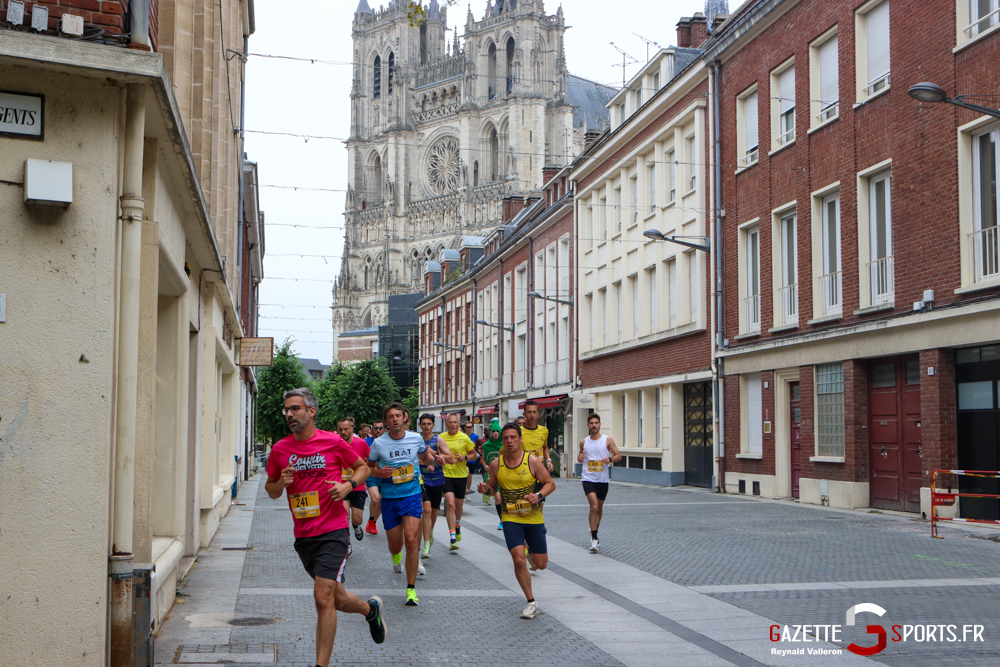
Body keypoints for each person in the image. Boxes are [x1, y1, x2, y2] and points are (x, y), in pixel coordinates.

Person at [265, 388, 386, 666]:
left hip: (333, 530)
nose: (289, 414)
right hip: (304, 536)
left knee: (322, 598)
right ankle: (371, 610)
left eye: (295, 408)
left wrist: (348, 485)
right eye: (287, 410)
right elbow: (271, 490)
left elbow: (363, 468)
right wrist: (281, 483)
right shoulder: (281, 449)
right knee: (338, 599)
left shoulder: (331, 441)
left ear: (311, 411)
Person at [368, 403, 445, 605]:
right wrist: (378, 473)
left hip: (411, 495)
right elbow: (368, 467)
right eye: (391, 416)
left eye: (398, 415)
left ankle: (411, 589)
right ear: (386, 421)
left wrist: (436, 460)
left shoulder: (415, 438)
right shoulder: (378, 444)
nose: (395, 419)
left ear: (404, 419)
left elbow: (423, 455)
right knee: (396, 545)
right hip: (390, 498)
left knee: (411, 541)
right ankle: (395, 557)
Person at [477, 422, 556, 620]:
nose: (509, 441)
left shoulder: (532, 461)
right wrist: (484, 490)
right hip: (510, 517)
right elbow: (493, 489)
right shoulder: (497, 464)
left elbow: (550, 483)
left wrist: (538, 495)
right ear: (502, 441)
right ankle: (531, 602)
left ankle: (530, 549)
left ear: (520, 439)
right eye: (506, 438)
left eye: (513, 437)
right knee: (518, 558)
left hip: (533, 517)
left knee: (541, 563)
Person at [577, 413, 621, 553]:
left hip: (602, 479)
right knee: (594, 506)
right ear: (588, 425)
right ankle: (594, 539)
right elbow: (580, 458)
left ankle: (594, 528)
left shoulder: (607, 440)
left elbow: (618, 455)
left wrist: (610, 459)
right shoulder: (584, 442)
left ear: (600, 424)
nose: (594, 425)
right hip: (588, 478)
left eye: (596, 423)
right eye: (591, 423)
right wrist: (579, 457)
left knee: (599, 508)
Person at [439, 412, 478, 550]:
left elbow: (474, 455)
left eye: (455, 422)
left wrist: (465, 457)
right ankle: (452, 537)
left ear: (458, 424)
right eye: (450, 422)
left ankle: (457, 524)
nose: (452, 424)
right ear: (446, 423)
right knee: (450, 504)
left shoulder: (464, 438)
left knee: (459, 507)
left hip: (460, 476)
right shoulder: (441, 438)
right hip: (446, 475)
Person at [418, 413, 452, 559]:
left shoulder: (438, 440)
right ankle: (426, 545)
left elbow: (451, 458)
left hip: (437, 479)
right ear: (420, 425)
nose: (426, 426)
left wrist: (435, 455)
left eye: (429, 424)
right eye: (423, 424)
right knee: (425, 509)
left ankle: (429, 532)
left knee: (433, 511)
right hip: (422, 479)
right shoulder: (416, 440)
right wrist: (427, 461)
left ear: (433, 425)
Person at [335, 417, 370, 555]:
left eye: (346, 429)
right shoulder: (334, 444)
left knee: (357, 518)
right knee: (344, 516)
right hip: (341, 485)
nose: (343, 432)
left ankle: (356, 526)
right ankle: (347, 544)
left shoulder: (361, 444)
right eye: (340, 429)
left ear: (351, 429)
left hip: (358, 486)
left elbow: (370, 460)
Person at [480, 419, 504, 525]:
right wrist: (486, 466)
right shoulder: (486, 446)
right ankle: (501, 520)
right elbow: (483, 459)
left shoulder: (505, 445)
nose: (495, 434)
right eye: (493, 431)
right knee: (497, 497)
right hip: (493, 476)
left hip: (504, 475)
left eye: (497, 431)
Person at [364, 420, 386, 535]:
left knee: (381, 503)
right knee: (375, 499)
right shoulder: (366, 442)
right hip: (371, 474)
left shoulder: (388, 441)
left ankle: (372, 522)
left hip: (383, 475)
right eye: (376, 428)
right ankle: (371, 520)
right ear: (372, 429)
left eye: (380, 428)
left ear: (384, 429)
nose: (378, 430)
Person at [521, 400, 555, 474]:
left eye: (534, 412)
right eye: (529, 412)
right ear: (524, 414)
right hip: (524, 472)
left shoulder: (544, 430)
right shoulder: (518, 432)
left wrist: (549, 460)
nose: (532, 415)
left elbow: (545, 447)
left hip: (539, 471)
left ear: (538, 414)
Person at [463, 420, 481, 493]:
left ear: (472, 428)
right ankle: (463, 490)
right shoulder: (462, 436)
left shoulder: (475, 436)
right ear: (464, 428)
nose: (468, 428)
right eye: (467, 427)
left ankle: (468, 490)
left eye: (470, 427)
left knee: (470, 476)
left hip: (472, 459)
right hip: (464, 459)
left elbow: (477, 447)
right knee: (465, 475)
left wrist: (480, 453)